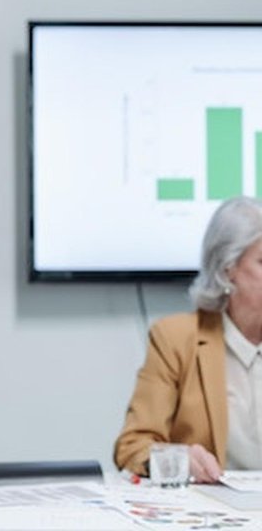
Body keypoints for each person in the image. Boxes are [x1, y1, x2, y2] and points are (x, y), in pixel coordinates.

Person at [114, 195, 262, 483]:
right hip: (213, 516)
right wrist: (180, 461)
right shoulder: (176, 339)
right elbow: (132, 446)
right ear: (227, 269)